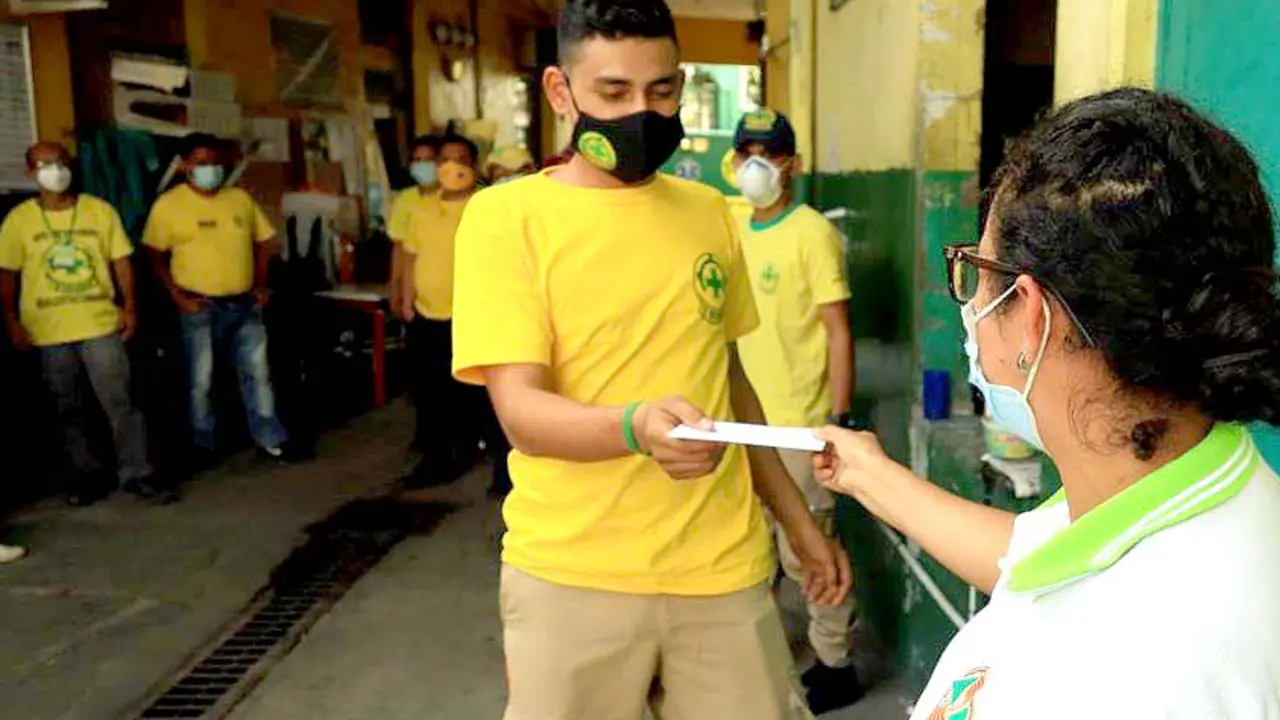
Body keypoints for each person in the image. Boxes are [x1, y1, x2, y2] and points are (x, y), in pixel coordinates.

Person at [814, 88, 1280, 719]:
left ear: (1030, 316)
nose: (972, 308)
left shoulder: (1140, 675)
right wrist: (866, 473)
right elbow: (1030, 560)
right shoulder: (1191, 489)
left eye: (975, 273)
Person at [451, 2, 850, 718]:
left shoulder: (708, 213)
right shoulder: (505, 220)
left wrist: (797, 521)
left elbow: (729, 381)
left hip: (723, 573)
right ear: (559, 92)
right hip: (573, 575)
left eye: (661, 91)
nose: (642, 112)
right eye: (613, 92)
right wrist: (635, 427)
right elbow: (521, 412)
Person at [731, 108, 862, 714]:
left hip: (799, 423)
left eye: (772, 153)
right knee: (748, 546)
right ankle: (762, 656)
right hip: (737, 419)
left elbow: (838, 330)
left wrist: (836, 416)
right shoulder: (727, 222)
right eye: (748, 151)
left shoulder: (810, 232)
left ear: (794, 164)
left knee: (809, 548)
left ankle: (835, 663)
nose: (758, 164)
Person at [0, 141, 174, 506]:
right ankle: (86, 474)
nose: (56, 169)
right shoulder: (18, 220)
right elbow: (8, 275)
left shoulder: (99, 211)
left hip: (99, 323)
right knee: (67, 407)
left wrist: (130, 307)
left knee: (120, 401)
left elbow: (122, 263)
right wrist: (11, 320)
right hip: (48, 330)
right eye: (45, 164)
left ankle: (137, 473)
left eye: (61, 161)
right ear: (30, 172)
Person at [144, 133, 299, 467]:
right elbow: (153, 255)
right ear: (184, 165)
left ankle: (270, 438)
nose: (209, 169)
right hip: (198, 306)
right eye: (200, 163)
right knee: (200, 381)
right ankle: (203, 444)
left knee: (258, 374)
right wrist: (176, 295)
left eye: (214, 162)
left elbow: (266, 243)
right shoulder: (169, 205)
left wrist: (260, 284)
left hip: (244, 304)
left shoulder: (239, 199)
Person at [400, 134, 508, 489]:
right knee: (431, 395)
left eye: (459, 159)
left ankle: (500, 468)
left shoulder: (487, 206)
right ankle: (437, 460)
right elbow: (409, 256)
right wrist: (404, 298)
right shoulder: (421, 208)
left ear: (472, 166)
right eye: (444, 159)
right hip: (427, 317)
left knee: (481, 396)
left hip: (473, 318)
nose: (450, 167)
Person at [388, 134, 441, 325]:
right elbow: (400, 249)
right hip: (415, 291)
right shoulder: (405, 200)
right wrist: (396, 287)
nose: (423, 165)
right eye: (417, 160)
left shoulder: (452, 200)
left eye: (428, 160)